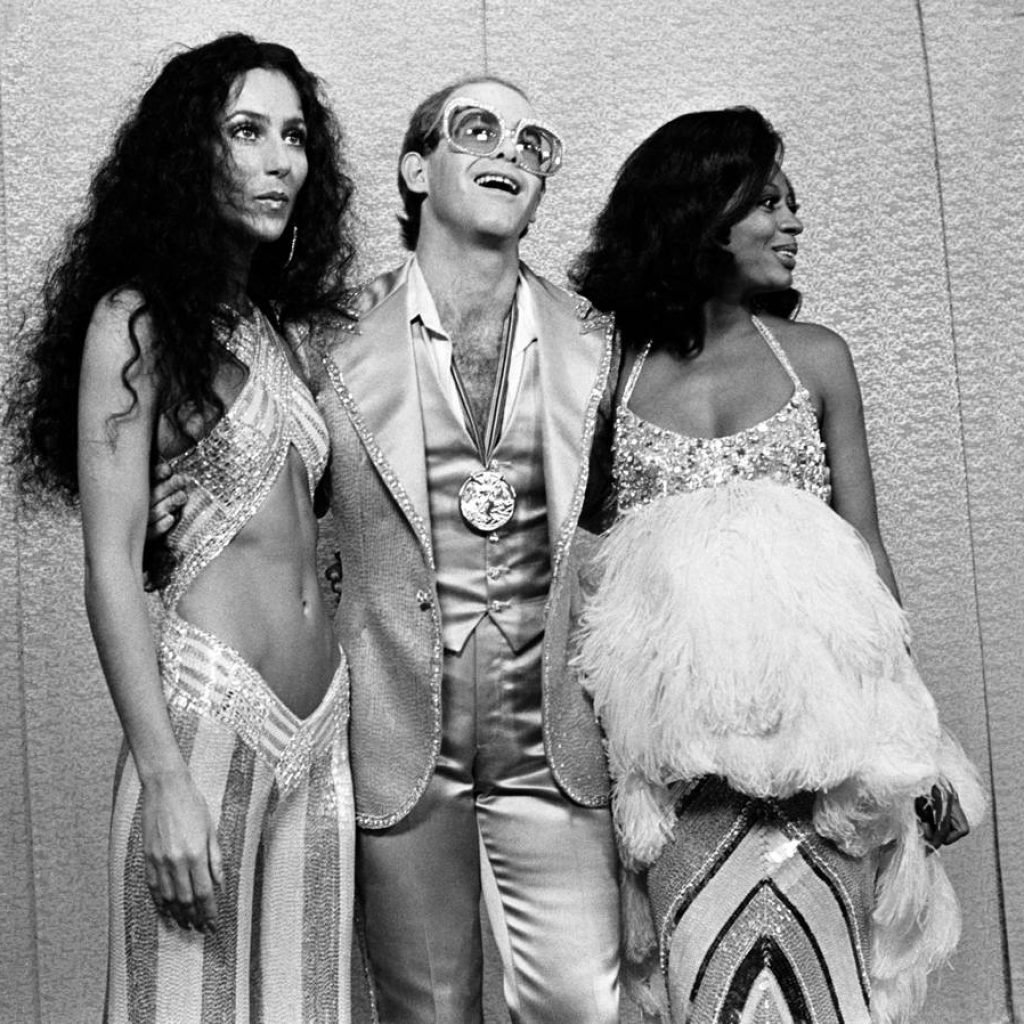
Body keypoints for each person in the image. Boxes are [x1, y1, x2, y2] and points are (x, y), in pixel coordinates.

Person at [570, 108, 984, 1024]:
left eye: (791, 204)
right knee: (701, 988)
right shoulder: (606, 379)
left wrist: (921, 740)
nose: (794, 223)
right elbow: (585, 578)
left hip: (826, 766)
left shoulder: (818, 359)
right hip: (679, 783)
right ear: (700, 213)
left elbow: (865, 552)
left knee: (831, 994)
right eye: (769, 203)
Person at [6, 34, 356, 1023]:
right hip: (207, 720)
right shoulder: (137, 320)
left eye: (292, 136)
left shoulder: (273, 326)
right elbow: (111, 567)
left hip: (322, 735)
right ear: (187, 153)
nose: (278, 158)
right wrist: (162, 775)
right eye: (246, 131)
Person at [314, 77, 621, 1022]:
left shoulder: (602, 343)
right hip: (400, 737)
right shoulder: (325, 343)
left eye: (534, 140)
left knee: (584, 1009)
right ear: (416, 168)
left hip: (554, 741)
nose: (510, 151)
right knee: (429, 1014)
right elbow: (259, 499)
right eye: (477, 128)